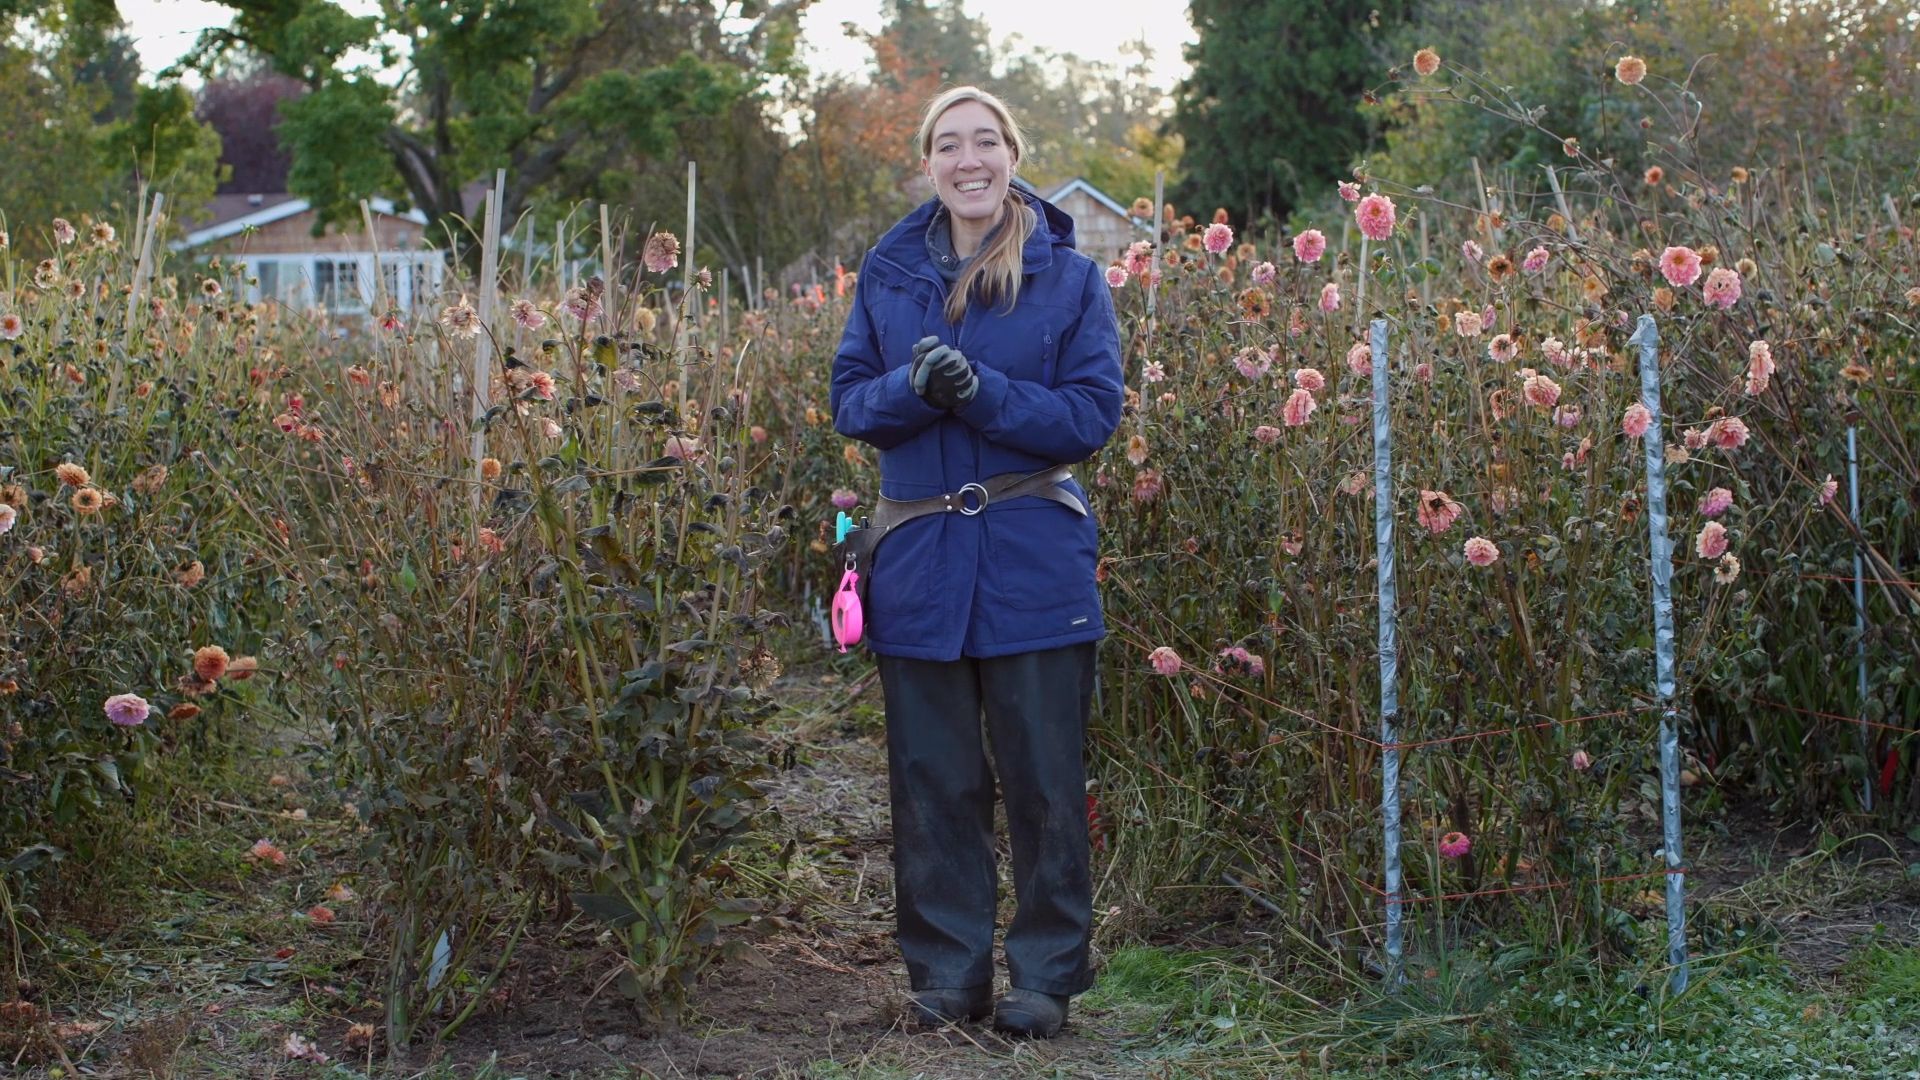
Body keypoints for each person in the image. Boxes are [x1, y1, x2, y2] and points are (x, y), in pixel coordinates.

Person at [828, 85, 1124, 1039]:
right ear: (928, 163)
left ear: (1011, 153)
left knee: (1043, 780)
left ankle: (1044, 979)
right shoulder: (886, 273)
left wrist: (985, 392)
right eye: (949, 145)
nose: (969, 161)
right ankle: (947, 977)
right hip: (916, 560)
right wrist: (914, 389)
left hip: (1032, 557)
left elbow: (1090, 417)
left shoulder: (1069, 280)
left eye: (985, 142)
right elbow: (850, 403)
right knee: (933, 782)